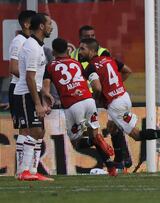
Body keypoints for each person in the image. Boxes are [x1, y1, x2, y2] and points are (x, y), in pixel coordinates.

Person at [42, 38, 118, 176]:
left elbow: (46, 89)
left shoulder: (50, 66)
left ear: (53, 51)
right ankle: (111, 167)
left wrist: (46, 100)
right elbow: (88, 82)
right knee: (95, 134)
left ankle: (95, 141)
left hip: (72, 105)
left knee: (75, 142)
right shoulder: (76, 63)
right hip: (88, 100)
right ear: (68, 50)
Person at [78, 38, 160, 143]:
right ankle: (119, 158)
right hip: (124, 97)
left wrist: (95, 99)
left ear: (92, 51)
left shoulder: (91, 67)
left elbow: (97, 88)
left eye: (82, 49)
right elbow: (128, 71)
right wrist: (114, 86)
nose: (79, 52)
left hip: (115, 105)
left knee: (137, 135)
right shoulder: (110, 60)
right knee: (112, 127)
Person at [71, 25, 133, 170]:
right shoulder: (74, 55)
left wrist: (111, 89)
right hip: (85, 98)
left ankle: (122, 159)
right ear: (80, 39)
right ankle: (112, 161)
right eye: (87, 36)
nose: (91, 38)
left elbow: (113, 73)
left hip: (100, 96)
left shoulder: (102, 53)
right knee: (88, 130)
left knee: (114, 126)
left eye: (93, 36)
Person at [12, 13, 53, 181]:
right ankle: (24, 171)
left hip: (32, 92)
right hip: (25, 94)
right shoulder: (32, 47)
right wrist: (37, 103)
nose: (51, 26)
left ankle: (31, 170)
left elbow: (34, 77)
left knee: (39, 131)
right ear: (41, 27)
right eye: (49, 23)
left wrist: (45, 93)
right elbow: (28, 77)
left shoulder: (37, 46)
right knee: (35, 130)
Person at [7, 10, 37, 178]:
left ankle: (28, 169)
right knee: (25, 129)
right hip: (19, 88)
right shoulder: (19, 41)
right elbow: (13, 69)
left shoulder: (30, 42)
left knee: (31, 129)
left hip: (27, 88)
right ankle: (22, 170)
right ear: (26, 24)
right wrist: (30, 79)